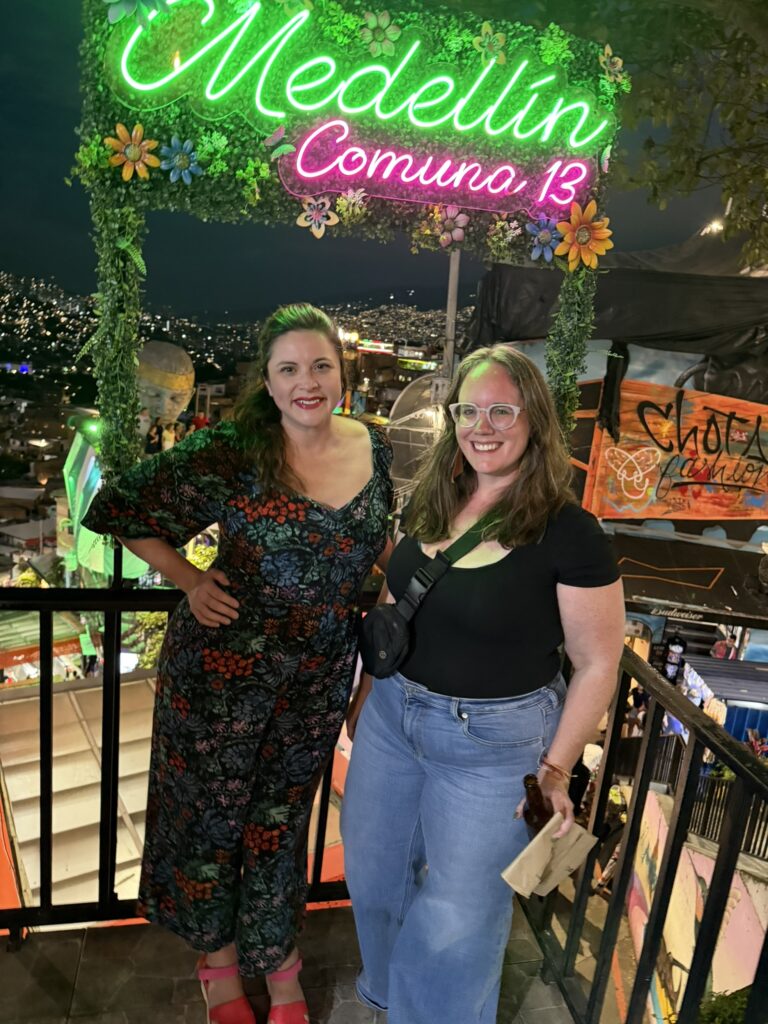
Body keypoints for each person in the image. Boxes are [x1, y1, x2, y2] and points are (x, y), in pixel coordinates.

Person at [82, 303, 393, 1024]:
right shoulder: (234, 449)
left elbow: (380, 548)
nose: (307, 382)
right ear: (269, 381)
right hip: (222, 674)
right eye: (289, 369)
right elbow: (122, 508)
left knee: (279, 826)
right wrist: (191, 582)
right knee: (212, 820)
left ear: (342, 371)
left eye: (320, 365)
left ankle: (279, 965)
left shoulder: (374, 448)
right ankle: (219, 963)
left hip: (315, 678)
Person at [341, 344, 625, 1024]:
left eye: (503, 409)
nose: (484, 425)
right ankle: (391, 998)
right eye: (471, 409)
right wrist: (367, 693)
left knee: (458, 918)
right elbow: (394, 596)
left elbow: (598, 663)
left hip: (492, 745)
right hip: (394, 716)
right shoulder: (436, 501)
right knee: (372, 877)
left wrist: (556, 770)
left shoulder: (568, 532)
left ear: (536, 421)